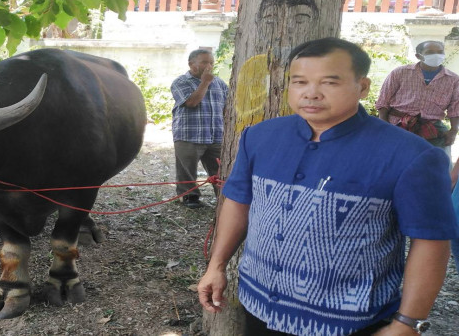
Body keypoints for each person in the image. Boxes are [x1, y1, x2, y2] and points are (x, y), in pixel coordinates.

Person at [197, 38, 457, 335]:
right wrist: (216, 266)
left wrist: (409, 323)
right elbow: (238, 202)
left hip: (348, 321)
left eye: (329, 83)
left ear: (363, 86)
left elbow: (431, 241)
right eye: (299, 82)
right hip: (259, 306)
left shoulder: (412, 156)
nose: (311, 93)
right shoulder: (259, 137)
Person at [376, 40, 459, 155]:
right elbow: (383, 101)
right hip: (398, 124)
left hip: (432, 127)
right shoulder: (400, 72)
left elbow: (455, 108)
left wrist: (454, 130)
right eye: (430, 52)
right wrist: (384, 125)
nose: (436, 55)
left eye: (440, 52)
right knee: (393, 161)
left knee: (437, 164)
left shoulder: (453, 79)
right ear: (418, 56)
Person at [170, 49, 228, 209]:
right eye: (204, 62)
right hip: (189, 135)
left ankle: (224, 198)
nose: (209, 66)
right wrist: (205, 82)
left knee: (220, 169)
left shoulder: (220, 83)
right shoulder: (181, 82)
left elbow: (227, 108)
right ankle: (189, 197)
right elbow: (191, 103)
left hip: (215, 135)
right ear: (191, 64)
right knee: (186, 170)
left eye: (211, 62)